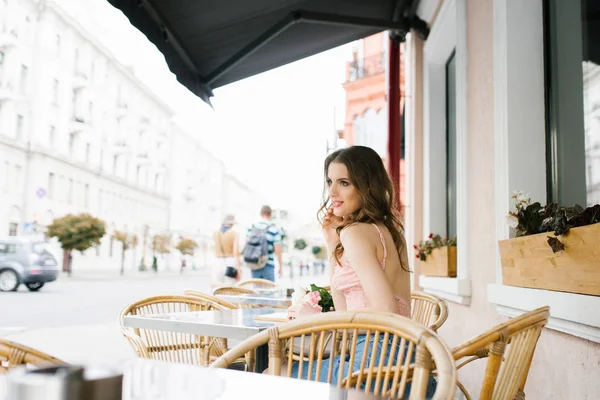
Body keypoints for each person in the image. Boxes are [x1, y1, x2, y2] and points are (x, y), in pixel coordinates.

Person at [287, 146, 436, 395]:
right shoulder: (387, 230)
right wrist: (332, 245)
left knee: (273, 373)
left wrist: (313, 319)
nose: (332, 192)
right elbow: (344, 310)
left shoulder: (356, 233)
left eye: (344, 182)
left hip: (374, 366)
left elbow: (386, 309)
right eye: (330, 182)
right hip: (406, 364)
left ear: (366, 186)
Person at [245, 205, 283, 282]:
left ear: (260, 214)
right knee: (269, 291)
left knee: (256, 291)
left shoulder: (251, 228)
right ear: (270, 214)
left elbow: (246, 245)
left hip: (254, 263)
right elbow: (278, 251)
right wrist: (280, 267)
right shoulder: (274, 230)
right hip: (268, 264)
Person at [213, 214, 241, 286]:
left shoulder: (215, 233)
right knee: (230, 287)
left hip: (217, 262)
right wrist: (238, 269)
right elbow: (236, 251)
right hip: (230, 261)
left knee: (218, 287)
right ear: (231, 223)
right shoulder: (234, 234)